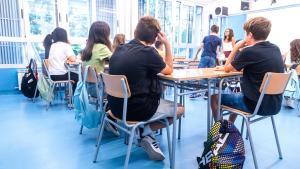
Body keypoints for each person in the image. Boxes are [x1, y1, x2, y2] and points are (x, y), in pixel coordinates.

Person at [108, 16, 184, 161]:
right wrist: (167, 44)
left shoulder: (118, 49)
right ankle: (144, 131)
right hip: (137, 110)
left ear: (136, 32)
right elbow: (169, 69)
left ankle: (145, 133)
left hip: (115, 108)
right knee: (179, 109)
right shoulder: (148, 52)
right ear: (156, 37)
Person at [211, 17, 284, 123]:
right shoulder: (276, 49)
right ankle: (229, 128)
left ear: (250, 35)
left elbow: (227, 68)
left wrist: (236, 47)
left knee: (214, 98)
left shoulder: (249, 51)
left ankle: (220, 132)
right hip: (274, 105)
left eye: (245, 34)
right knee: (239, 94)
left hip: (255, 105)